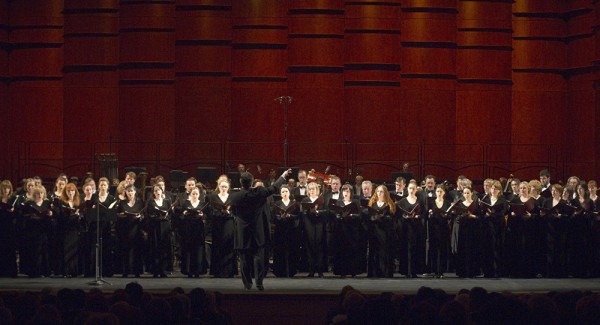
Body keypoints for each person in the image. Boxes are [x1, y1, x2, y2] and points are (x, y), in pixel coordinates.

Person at [229, 168, 291, 290]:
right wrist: (283, 176)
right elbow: (274, 188)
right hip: (258, 231)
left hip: (243, 232)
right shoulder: (259, 193)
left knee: (244, 260)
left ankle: (247, 285)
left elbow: (234, 212)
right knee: (259, 259)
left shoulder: (235, 196)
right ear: (252, 182)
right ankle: (259, 283)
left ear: (241, 182)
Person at [329, 184, 364, 277]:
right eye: (344, 191)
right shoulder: (339, 203)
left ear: (351, 193)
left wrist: (351, 216)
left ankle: (353, 271)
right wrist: (339, 216)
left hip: (352, 230)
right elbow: (335, 215)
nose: (346, 193)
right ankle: (342, 271)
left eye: (348, 191)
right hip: (341, 230)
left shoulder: (355, 202)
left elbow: (360, 215)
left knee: (352, 250)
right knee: (342, 251)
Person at [21, 185, 53, 277]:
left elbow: (52, 216)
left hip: (44, 230)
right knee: (34, 251)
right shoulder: (29, 204)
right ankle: (35, 271)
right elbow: (23, 216)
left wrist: (50, 214)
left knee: (44, 250)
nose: (40, 195)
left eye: (42, 193)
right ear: (34, 194)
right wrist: (31, 216)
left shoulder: (47, 203)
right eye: (38, 193)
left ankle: (45, 271)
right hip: (33, 230)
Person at [397, 180, 425, 278]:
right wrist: (404, 217)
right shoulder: (402, 201)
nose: (411, 190)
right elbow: (399, 215)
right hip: (406, 228)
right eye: (410, 188)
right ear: (407, 189)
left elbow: (423, 213)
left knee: (415, 248)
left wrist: (418, 216)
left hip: (416, 227)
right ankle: (407, 271)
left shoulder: (420, 200)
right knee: (407, 248)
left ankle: (414, 271)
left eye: (413, 188)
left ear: (416, 189)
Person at [208, 179, 236, 278]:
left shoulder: (232, 197)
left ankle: (229, 271)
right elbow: (211, 210)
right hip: (218, 223)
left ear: (228, 188)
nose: (223, 188)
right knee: (218, 245)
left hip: (229, 223)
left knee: (228, 245)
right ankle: (218, 271)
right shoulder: (214, 196)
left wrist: (229, 213)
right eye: (221, 186)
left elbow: (236, 211)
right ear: (218, 186)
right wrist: (220, 212)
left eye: (225, 187)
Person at [479, 180, 507, 278]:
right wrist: (486, 213)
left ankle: (497, 271)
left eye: (496, 188)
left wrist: (494, 212)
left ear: (499, 190)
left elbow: (505, 210)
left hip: (498, 225)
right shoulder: (486, 198)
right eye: (492, 188)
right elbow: (481, 211)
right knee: (488, 248)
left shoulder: (502, 199)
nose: (493, 190)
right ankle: (488, 271)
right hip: (487, 225)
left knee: (497, 247)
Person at [271, 185, 301, 277]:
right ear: (280, 194)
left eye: (286, 191)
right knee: (280, 250)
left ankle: (291, 271)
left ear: (289, 193)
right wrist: (280, 217)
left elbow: (298, 216)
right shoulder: (277, 204)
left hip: (291, 229)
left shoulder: (294, 203)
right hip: (280, 230)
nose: (285, 193)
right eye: (283, 192)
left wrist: (290, 216)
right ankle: (280, 271)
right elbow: (273, 217)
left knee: (291, 250)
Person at [366, 185, 396, 278]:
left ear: (385, 193)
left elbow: (392, 218)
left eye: (381, 191)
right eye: (378, 191)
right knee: (374, 250)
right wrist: (373, 218)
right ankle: (374, 272)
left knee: (384, 251)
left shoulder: (389, 204)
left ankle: (385, 272)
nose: (379, 193)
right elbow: (368, 216)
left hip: (384, 231)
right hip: (374, 230)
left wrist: (384, 217)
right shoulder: (372, 204)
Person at [452, 187, 481, 278]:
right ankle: (462, 271)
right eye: (465, 193)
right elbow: (456, 218)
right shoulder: (460, 204)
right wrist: (460, 215)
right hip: (463, 229)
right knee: (463, 249)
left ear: (471, 193)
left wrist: (473, 216)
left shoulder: (476, 204)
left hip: (473, 229)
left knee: (472, 249)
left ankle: (473, 271)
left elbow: (480, 217)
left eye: (468, 193)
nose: (466, 195)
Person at [116, 184, 144, 277]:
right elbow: (118, 214)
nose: (130, 193)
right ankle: (125, 271)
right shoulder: (122, 203)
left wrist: (140, 217)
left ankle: (137, 271)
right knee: (125, 250)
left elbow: (143, 214)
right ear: (126, 192)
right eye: (128, 191)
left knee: (137, 250)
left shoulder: (139, 202)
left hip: (136, 229)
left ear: (135, 192)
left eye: (132, 191)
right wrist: (121, 215)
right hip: (125, 229)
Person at [301, 181, 327, 279]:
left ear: (317, 190)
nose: (312, 191)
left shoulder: (321, 199)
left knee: (319, 246)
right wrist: (309, 211)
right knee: (310, 246)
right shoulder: (305, 199)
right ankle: (311, 271)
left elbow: (326, 211)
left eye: (314, 189)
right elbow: (302, 212)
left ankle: (320, 271)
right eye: (310, 189)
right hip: (309, 224)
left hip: (319, 224)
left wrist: (317, 211)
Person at [179, 186, 208, 278]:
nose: (195, 195)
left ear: (199, 195)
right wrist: (184, 214)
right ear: (190, 194)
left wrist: (202, 215)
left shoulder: (202, 204)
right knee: (188, 249)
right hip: (188, 229)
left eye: (196, 194)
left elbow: (207, 216)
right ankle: (188, 270)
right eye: (193, 194)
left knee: (198, 249)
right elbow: (180, 216)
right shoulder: (186, 203)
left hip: (198, 228)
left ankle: (198, 270)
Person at [55, 183, 82, 277]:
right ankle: (66, 271)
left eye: (73, 191)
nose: (71, 193)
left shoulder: (78, 202)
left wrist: (78, 216)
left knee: (74, 250)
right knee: (66, 250)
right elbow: (59, 216)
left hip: (74, 229)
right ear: (65, 192)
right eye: (69, 191)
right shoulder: (62, 202)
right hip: (66, 229)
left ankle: (74, 271)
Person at [145, 185, 172, 278]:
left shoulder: (167, 201)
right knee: (155, 248)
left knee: (164, 248)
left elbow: (171, 214)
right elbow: (148, 214)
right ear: (153, 192)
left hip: (165, 226)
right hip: (155, 227)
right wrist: (156, 216)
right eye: (155, 191)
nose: (157, 192)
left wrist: (166, 215)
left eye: (159, 190)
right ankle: (155, 270)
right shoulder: (151, 202)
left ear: (162, 191)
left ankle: (163, 270)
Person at [427, 184, 452, 278]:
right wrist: (430, 214)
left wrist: (447, 215)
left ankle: (441, 271)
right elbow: (427, 215)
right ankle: (434, 270)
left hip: (443, 228)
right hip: (433, 228)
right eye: (437, 191)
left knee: (442, 249)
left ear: (444, 193)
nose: (439, 193)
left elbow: (450, 216)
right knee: (434, 248)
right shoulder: (431, 202)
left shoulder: (447, 202)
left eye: (441, 191)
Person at [0, 180, 17, 277]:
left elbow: (18, 215)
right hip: (1, 226)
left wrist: (13, 211)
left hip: (10, 227)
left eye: (8, 188)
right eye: (4, 188)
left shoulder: (13, 199)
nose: (6, 190)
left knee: (10, 248)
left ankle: (11, 271)